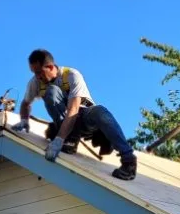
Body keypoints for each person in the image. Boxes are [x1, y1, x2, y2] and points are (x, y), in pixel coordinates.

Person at [11, 49, 138, 181]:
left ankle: (129, 161)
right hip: (64, 123)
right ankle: (70, 140)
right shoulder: (36, 83)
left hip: (84, 119)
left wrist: (59, 140)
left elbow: (73, 110)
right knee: (51, 91)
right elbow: (25, 103)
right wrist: (24, 120)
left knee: (100, 111)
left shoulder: (71, 75)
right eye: (34, 73)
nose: (38, 76)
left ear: (50, 66)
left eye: (39, 72)